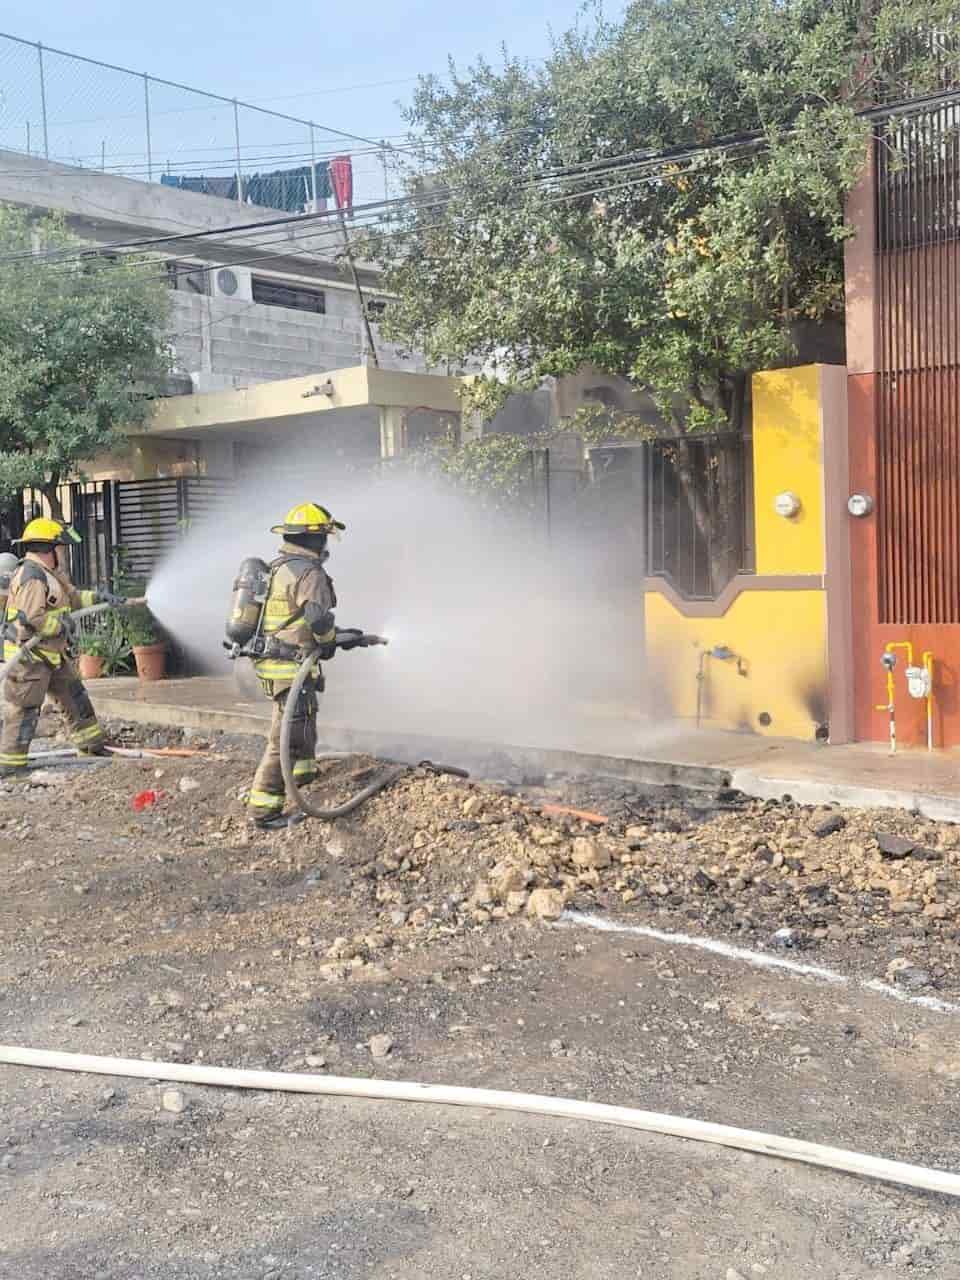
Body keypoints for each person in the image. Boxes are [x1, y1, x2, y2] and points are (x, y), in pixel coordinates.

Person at [0, 518, 133, 778]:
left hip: (52, 655)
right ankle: (10, 764)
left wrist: (101, 598)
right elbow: (32, 620)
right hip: (30, 658)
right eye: (60, 547)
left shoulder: (50, 575)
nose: (63, 552)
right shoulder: (32, 577)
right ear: (47, 549)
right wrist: (60, 625)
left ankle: (91, 746)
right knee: (24, 710)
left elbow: (73, 598)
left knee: (75, 697)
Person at [246, 502, 345, 827]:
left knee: (304, 718)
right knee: (285, 738)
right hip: (290, 665)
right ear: (315, 539)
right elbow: (316, 618)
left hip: (273, 660)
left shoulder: (277, 567)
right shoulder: (310, 572)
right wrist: (329, 640)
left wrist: (338, 636)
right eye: (325, 538)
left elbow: (292, 618)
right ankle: (263, 810)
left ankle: (302, 775)